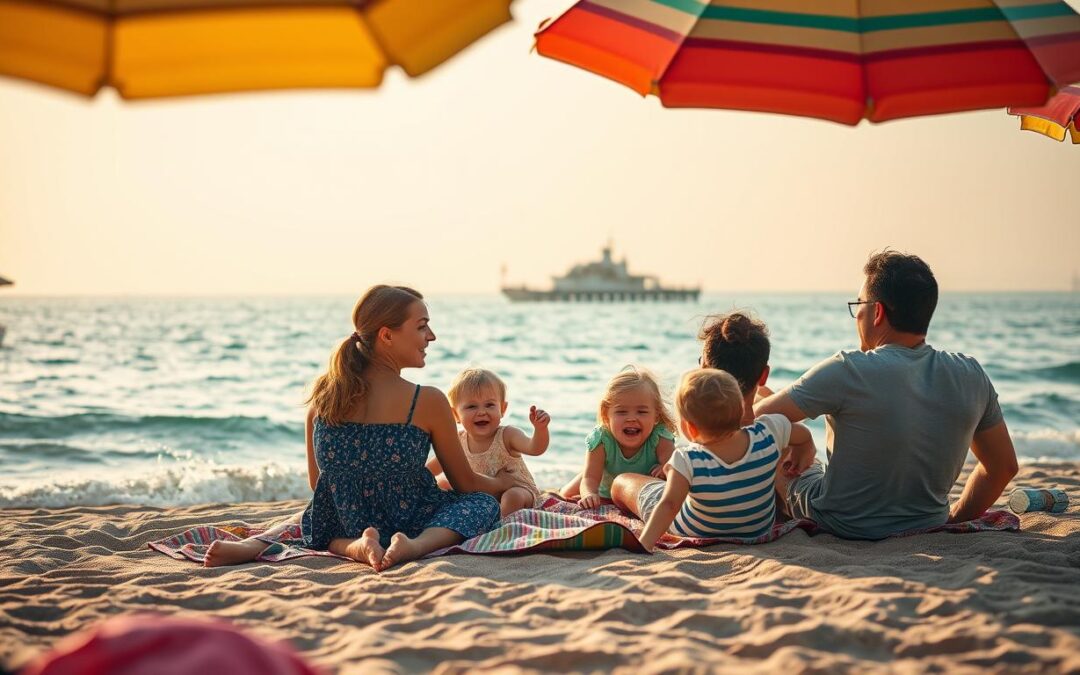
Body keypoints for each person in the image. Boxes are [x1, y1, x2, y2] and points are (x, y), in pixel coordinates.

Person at [203, 285, 510, 571]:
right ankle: (414, 546)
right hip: (412, 521)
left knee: (314, 516)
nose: (431, 336)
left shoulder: (323, 398)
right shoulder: (426, 400)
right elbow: (465, 483)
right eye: (421, 326)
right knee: (481, 504)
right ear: (386, 335)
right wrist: (503, 484)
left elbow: (318, 485)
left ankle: (350, 546)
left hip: (346, 522)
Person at [756, 251, 1019, 539]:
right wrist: (955, 517)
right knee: (771, 403)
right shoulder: (971, 374)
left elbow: (753, 419)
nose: (857, 315)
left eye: (859, 305)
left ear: (878, 312)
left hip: (840, 523)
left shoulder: (848, 369)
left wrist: (800, 439)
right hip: (929, 521)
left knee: (764, 412)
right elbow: (1003, 467)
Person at [612, 369, 816, 550]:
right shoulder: (769, 431)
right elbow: (803, 435)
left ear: (690, 428)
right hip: (757, 529)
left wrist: (644, 543)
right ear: (741, 410)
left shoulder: (687, 459)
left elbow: (670, 505)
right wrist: (805, 450)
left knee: (622, 482)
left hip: (698, 530)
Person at [427, 368, 550, 517]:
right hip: (483, 498)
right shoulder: (458, 441)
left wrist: (540, 429)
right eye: (472, 406)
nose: (482, 412)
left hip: (519, 491)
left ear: (503, 409)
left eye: (489, 405)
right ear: (456, 415)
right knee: (442, 483)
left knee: (512, 497)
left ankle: (501, 526)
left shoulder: (507, 435)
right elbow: (431, 469)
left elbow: (535, 448)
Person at [559, 366, 676, 509]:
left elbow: (673, 465)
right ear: (606, 414)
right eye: (622, 412)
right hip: (605, 489)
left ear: (656, 415)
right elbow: (590, 478)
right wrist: (589, 494)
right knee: (566, 494)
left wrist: (665, 468)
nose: (631, 418)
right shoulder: (602, 438)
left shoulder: (659, 436)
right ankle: (590, 474)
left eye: (641, 412)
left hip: (635, 492)